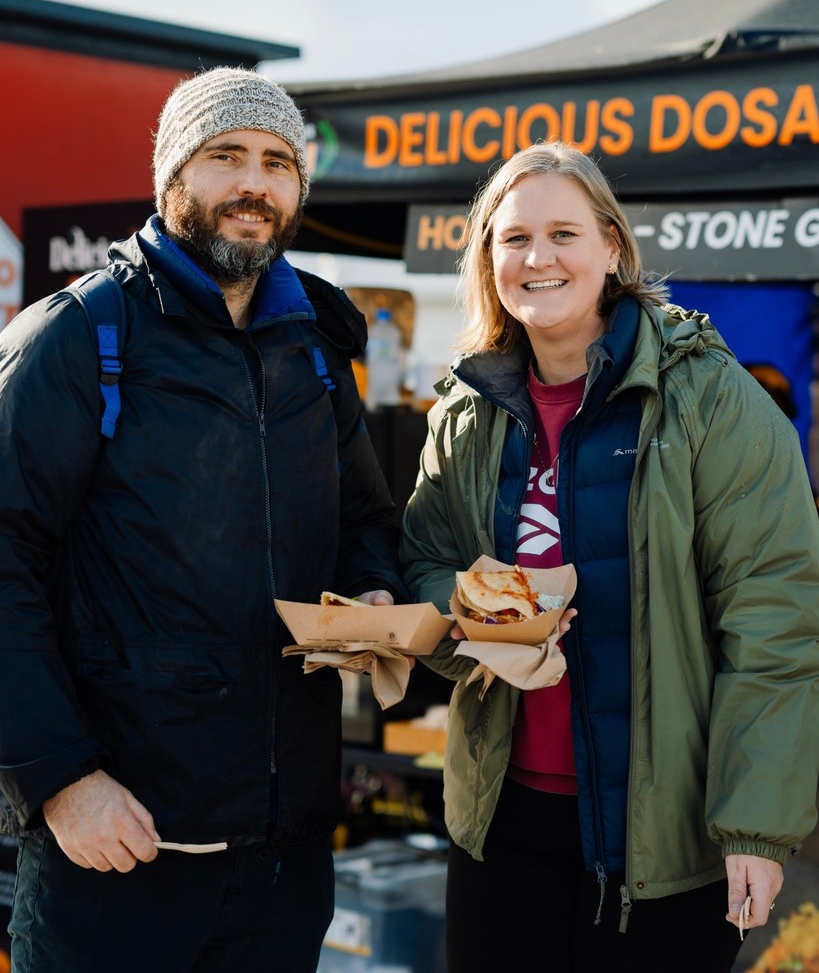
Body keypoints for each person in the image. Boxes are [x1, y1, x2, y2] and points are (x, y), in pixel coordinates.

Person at [0, 66, 407, 973]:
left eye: (276, 162)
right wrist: (58, 781)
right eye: (225, 157)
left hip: (282, 860)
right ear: (172, 178)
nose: (253, 184)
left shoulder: (315, 350)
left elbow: (365, 518)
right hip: (115, 852)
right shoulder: (79, 337)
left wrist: (374, 593)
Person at [400, 141, 819, 973]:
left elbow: (774, 618)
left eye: (563, 233)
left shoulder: (708, 398)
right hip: (502, 827)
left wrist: (755, 827)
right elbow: (424, 565)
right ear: (488, 260)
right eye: (513, 238)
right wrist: (482, 622)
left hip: (662, 841)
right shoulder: (464, 410)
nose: (537, 257)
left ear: (612, 249)